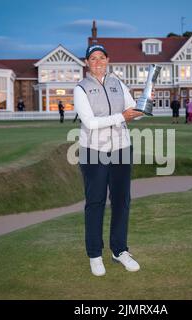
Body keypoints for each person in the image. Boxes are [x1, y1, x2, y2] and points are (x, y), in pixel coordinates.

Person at [74, 44, 143, 277]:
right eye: (93, 58)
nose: (98, 62)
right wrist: (122, 117)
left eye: (101, 58)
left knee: (122, 200)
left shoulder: (117, 83)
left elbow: (132, 109)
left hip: (122, 148)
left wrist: (140, 109)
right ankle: (94, 254)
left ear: (108, 59)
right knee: (95, 202)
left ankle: (119, 250)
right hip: (94, 151)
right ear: (87, 63)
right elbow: (90, 123)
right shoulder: (81, 88)